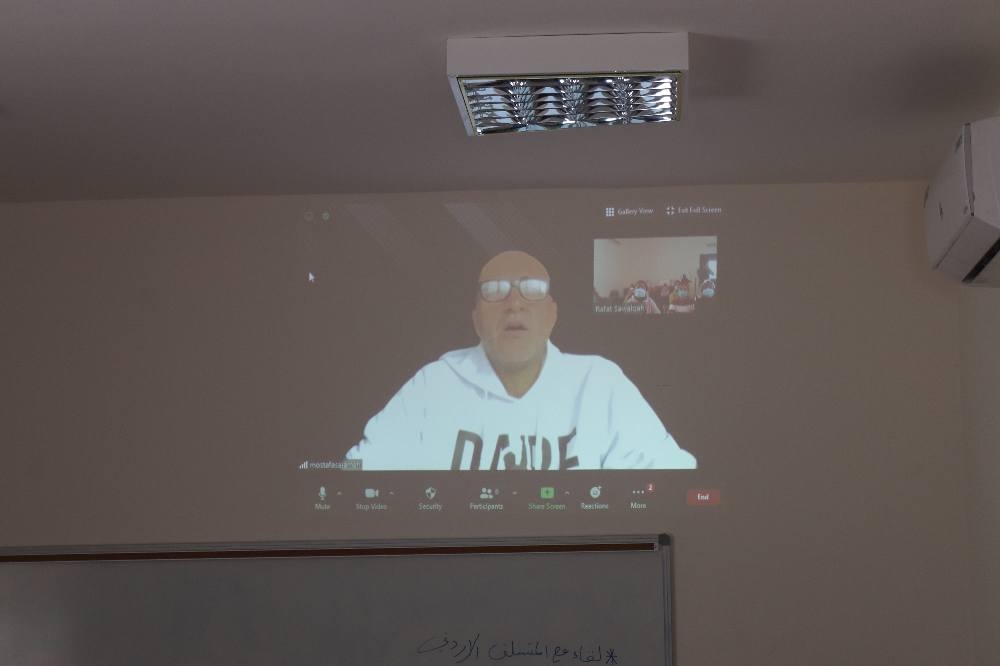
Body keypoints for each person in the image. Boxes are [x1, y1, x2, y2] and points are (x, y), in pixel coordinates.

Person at [345, 251, 696, 470]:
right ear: (476, 319)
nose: (514, 303)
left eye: (532, 289)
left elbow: (670, 475)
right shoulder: (433, 385)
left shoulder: (600, 382)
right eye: (495, 291)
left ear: (552, 315)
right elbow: (359, 472)